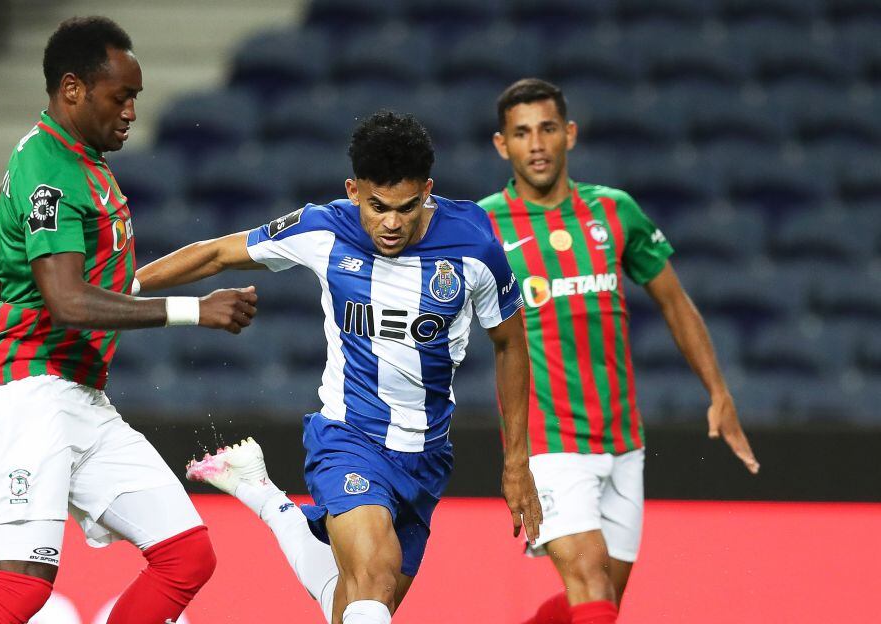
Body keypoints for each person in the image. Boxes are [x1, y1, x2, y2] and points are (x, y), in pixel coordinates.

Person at [134, 111, 543, 624]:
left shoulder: (475, 249)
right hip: (348, 438)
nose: (391, 223)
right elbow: (216, 253)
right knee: (372, 579)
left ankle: (263, 495)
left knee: (354, 606)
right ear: (353, 190)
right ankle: (268, 495)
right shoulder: (322, 228)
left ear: (428, 191)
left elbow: (510, 344)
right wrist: (120, 291)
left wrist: (516, 462)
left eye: (407, 207)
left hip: (426, 456)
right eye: (377, 207)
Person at [0, 16, 258, 624]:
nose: (130, 112)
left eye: (135, 99)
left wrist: (14, 291)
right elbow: (68, 303)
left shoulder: (69, 159)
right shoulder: (52, 169)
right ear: (73, 89)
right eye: (120, 96)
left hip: (79, 397)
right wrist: (192, 311)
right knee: (22, 591)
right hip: (28, 394)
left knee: (186, 556)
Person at [478, 78, 761, 624]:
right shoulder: (482, 224)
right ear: (501, 145)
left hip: (622, 439)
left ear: (570, 134)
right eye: (521, 133)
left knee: (601, 600)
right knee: (590, 587)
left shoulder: (615, 211)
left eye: (547, 129)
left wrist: (719, 392)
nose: (536, 144)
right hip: (549, 441)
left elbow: (676, 304)